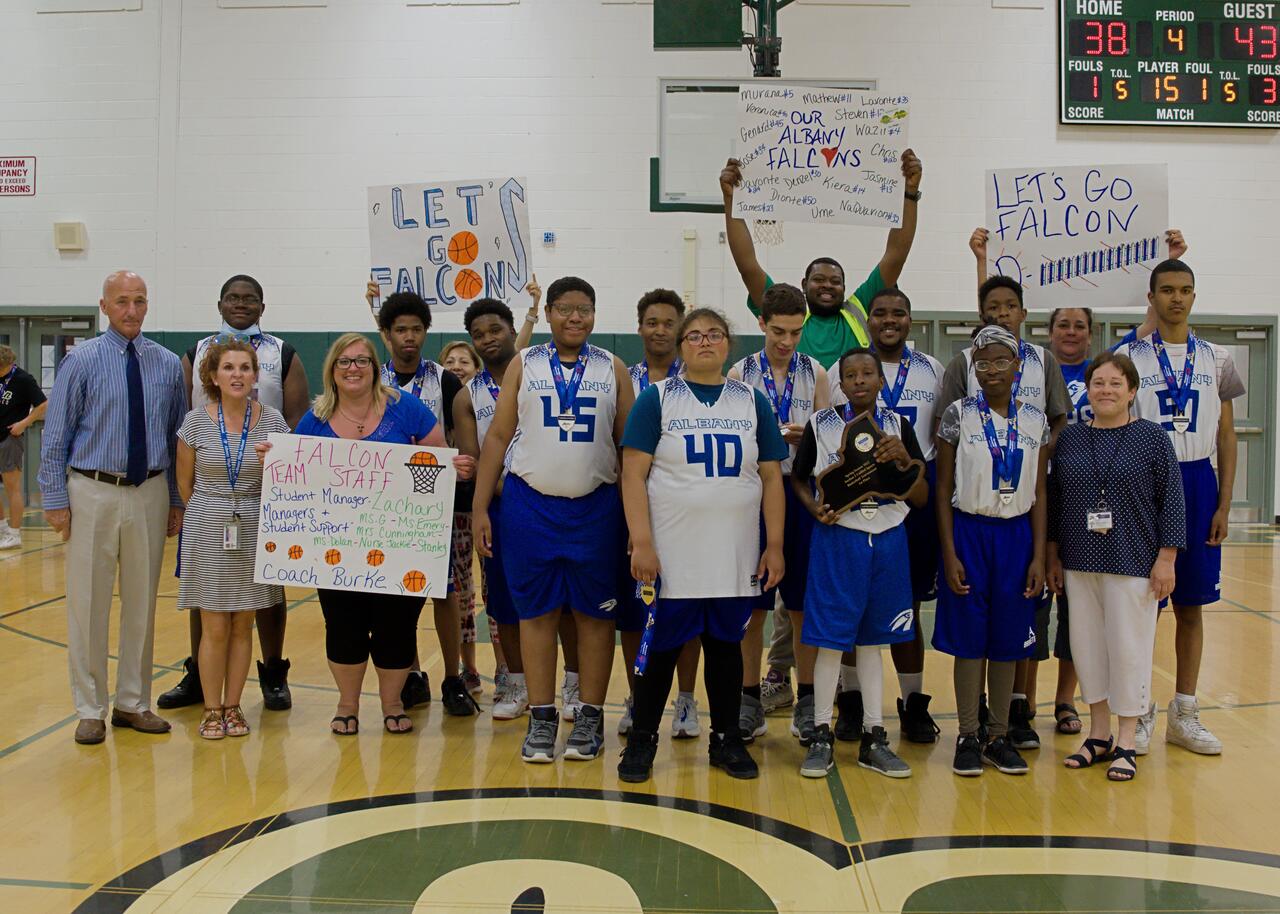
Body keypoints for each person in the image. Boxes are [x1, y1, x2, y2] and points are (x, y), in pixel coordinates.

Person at [721, 150, 924, 711]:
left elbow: (896, 250)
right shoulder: (781, 324)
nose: (829, 285)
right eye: (819, 278)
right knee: (762, 600)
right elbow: (746, 262)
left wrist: (909, 192)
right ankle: (769, 684)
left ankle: (818, 692)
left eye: (835, 278)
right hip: (763, 486)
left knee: (814, 598)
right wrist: (732, 199)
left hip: (827, 482)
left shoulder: (859, 311)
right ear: (802, 289)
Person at [971, 228, 1186, 740]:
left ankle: (1073, 704)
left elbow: (1147, 327)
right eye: (1063, 324)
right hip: (1046, 501)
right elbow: (991, 320)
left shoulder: (1109, 370)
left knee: (1095, 626)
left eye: (1079, 325)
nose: (1070, 331)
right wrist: (982, 261)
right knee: (1060, 613)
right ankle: (1052, 710)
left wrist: (1167, 261)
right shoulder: (1029, 363)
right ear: (1050, 331)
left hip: (1114, 524)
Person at [617, 308, 786, 782]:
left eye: (714, 334)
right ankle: (643, 740)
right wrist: (642, 542)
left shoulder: (752, 401)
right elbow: (632, 474)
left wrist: (774, 545)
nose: (704, 342)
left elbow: (772, 477)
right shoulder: (658, 398)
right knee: (662, 651)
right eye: (694, 335)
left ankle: (727, 739)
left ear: (728, 344)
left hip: (733, 555)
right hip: (673, 554)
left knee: (726, 650)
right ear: (681, 345)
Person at [473, 276, 634, 764]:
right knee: (537, 614)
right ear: (549, 315)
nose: (574, 317)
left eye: (584, 309)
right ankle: (542, 718)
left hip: (597, 509)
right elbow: (498, 437)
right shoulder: (526, 363)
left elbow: (630, 450)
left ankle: (589, 715)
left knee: (596, 616)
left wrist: (636, 522)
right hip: (530, 507)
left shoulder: (614, 368)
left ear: (594, 314)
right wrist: (481, 506)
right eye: (564, 308)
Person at [280, 333, 470, 734]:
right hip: (336, 551)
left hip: (401, 547)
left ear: (374, 367)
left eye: (362, 360)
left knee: (396, 627)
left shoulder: (405, 408)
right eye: (344, 361)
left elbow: (438, 456)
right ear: (332, 369)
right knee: (343, 625)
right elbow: (294, 469)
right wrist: (273, 459)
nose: (353, 368)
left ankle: (392, 703)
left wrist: (455, 467)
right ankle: (347, 703)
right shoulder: (315, 417)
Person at [39, 271, 186, 745]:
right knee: (89, 603)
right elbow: (56, 435)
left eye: (140, 301)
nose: (131, 310)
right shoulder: (80, 361)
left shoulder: (165, 364)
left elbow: (173, 437)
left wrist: (177, 501)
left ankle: (132, 702)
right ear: (104, 306)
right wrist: (56, 499)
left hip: (151, 489)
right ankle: (89, 708)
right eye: (122, 301)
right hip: (92, 490)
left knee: (142, 602)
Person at [161, 274, 310, 715]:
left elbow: (301, 427)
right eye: (233, 297)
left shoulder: (283, 353)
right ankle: (198, 676)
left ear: (262, 307)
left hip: (261, 503)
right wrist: (199, 505)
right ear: (220, 303)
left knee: (266, 595)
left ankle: (272, 672)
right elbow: (182, 440)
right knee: (206, 599)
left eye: (250, 299)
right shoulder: (196, 353)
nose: (241, 304)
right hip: (211, 507)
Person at [1116, 260, 1244, 756]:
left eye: (1185, 290)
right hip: (1144, 484)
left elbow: (1227, 434)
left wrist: (1224, 503)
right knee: (1143, 607)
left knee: (1192, 606)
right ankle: (1140, 709)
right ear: (1151, 296)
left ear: (1194, 296)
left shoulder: (1218, 358)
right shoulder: (1129, 356)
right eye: (1167, 290)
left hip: (1197, 481)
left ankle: (1185, 713)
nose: (1176, 298)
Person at [938, 273, 1069, 751]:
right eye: (983, 363)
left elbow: (1038, 494)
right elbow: (943, 489)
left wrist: (1038, 555)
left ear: (1018, 365)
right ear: (974, 367)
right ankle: (968, 734)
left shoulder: (1034, 420)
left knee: (1011, 634)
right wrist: (949, 552)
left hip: (1017, 536)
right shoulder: (957, 415)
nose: (993, 370)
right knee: (971, 636)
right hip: (971, 532)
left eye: (1002, 361)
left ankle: (998, 735)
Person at [1047, 352, 1185, 781]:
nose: (1105, 391)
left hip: (1134, 561)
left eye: (1115, 384)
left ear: (1132, 391)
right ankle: (1099, 734)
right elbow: (1056, 502)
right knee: (1087, 650)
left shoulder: (1151, 438)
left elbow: (1173, 501)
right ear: (1087, 391)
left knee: (1128, 651)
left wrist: (1166, 559)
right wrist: (1053, 554)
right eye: (1098, 383)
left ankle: (1128, 739)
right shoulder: (1069, 439)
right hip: (1078, 561)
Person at [792, 347, 927, 778]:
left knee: (874, 641)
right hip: (839, 539)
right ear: (840, 384)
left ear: (880, 381)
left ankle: (874, 736)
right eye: (851, 375)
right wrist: (814, 508)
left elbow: (919, 492)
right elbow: (798, 479)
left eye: (868, 373)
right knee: (831, 640)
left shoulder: (898, 426)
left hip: (888, 538)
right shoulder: (821, 424)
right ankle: (819, 733)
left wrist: (904, 461)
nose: (860, 380)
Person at [826, 289, 943, 745]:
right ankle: (852, 701)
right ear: (868, 321)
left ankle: (913, 702)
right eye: (880, 314)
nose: (889, 320)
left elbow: (939, 434)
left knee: (908, 606)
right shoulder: (852, 369)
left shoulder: (933, 369)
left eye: (898, 312)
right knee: (855, 604)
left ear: (911, 319)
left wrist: (913, 472)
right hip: (857, 492)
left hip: (911, 491)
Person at [371, 287, 480, 716]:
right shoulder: (370, 378)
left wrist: (465, 468)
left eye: (417, 329)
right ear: (387, 334)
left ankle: (453, 678)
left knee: (445, 592)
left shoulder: (445, 379)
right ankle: (412, 674)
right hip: (383, 507)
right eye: (401, 330)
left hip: (437, 505)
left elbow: (462, 441)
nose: (409, 337)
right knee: (397, 594)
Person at [728, 283, 828, 747]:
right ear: (762, 324)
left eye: (796, 332)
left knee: (805, 607)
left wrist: (804, 436)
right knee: (751, 608)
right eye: (779, 332)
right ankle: (748, 697)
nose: (788, 341)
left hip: (802, 494)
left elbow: (828, 443)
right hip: (753, 498)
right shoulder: (739, 373)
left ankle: (807, 699)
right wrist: (770, 437)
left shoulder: (819, 373)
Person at [176, 339, 290, 739]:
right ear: (213, 376)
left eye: (245, 368)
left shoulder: (274, 421)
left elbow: (290, 477)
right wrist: (212, 512)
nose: (237, 375)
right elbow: (184, 484)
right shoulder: (194, 422)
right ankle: (210, 709)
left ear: (256, 375)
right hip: (209, 521)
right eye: (228, 368)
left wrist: (272, 465)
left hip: (257, 521)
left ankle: (234, 706)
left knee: (244, 623)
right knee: (214, 625)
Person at [616, 288, 703, 741]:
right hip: (635, 512)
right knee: (636, 614)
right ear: (640, 328)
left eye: (670, 322)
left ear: (682, 329)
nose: (660, 330)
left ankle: (685, 700)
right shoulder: (624, 379)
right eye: (652, 322)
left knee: (684, 611)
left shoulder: (701, 380)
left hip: (686, 515)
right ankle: (637, 696)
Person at [464, 296, 526, 717]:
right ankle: (515, 681)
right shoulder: (467, 396)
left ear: (512, 329)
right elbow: (474, 460)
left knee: (561, 602)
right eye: (478, 335)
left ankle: (572, 684)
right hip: (506, 504)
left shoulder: (540, 374)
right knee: (503, 601)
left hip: (551, 500)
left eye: (495, 330)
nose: (488, 339)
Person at [0, 344, 47, 549]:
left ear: (9, 365)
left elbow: (43, 404)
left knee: (12, 487)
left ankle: (15, 533)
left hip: (10, 438)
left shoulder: (23, 379)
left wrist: (24, 423)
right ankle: (2, 527)